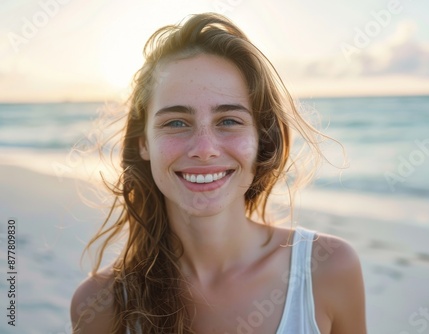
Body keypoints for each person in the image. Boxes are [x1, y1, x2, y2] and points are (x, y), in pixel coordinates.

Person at [70, 13, 366, 334]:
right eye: (176, 122)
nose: (204, 148)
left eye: (228, 120)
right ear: (144, 143)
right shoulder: (101, 304)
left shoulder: (326, 269)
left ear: (261, 138)